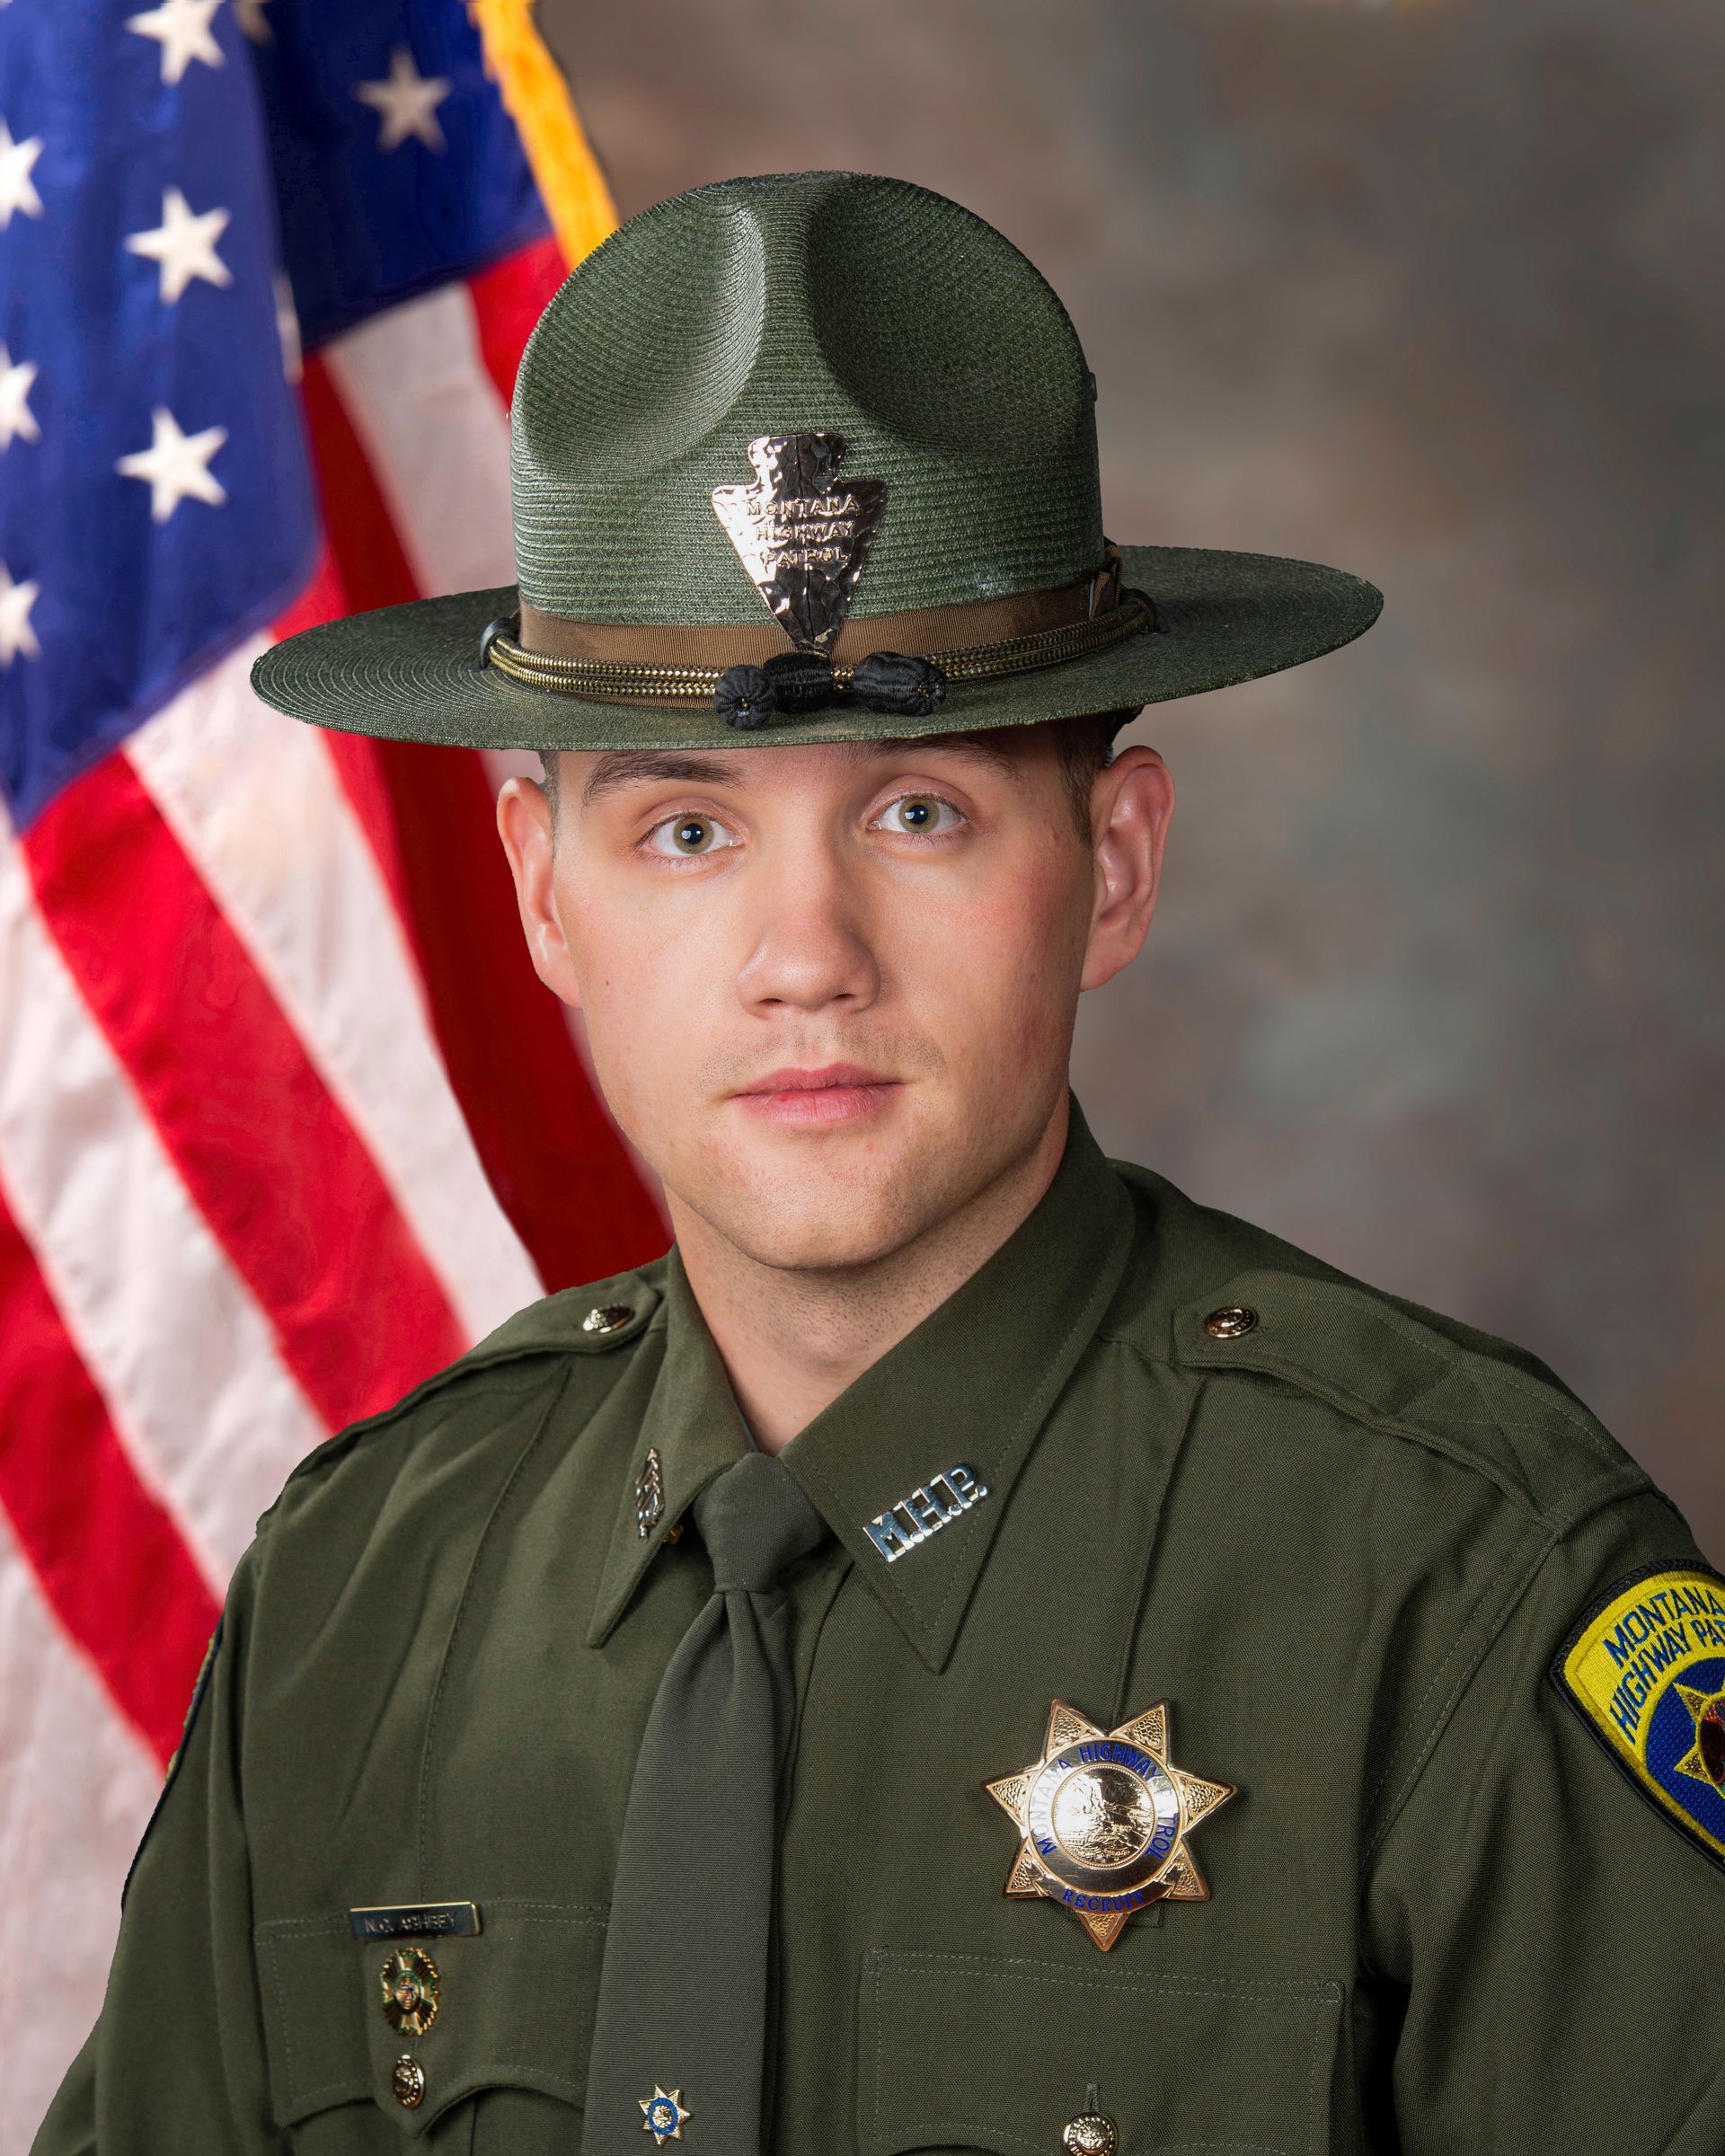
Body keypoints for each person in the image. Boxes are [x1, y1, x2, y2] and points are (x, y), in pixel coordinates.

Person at [33, 172, 1724, 2156]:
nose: (803, 958)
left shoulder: (1460, 1591)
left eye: (919, 812)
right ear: (540, 894)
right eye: (685, 833)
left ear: (1111, 868)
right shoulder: (364, 1591)